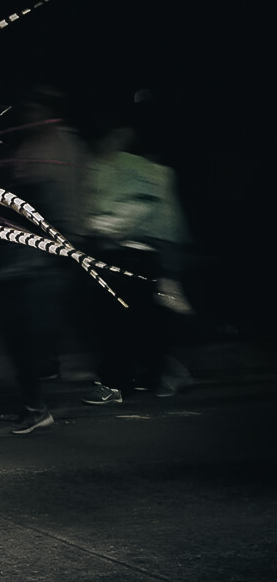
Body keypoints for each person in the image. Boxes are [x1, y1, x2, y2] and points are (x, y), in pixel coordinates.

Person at [78, 93, 192, 405]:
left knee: (120, 322)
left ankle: (117, 382)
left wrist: (93, 225)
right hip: (138, 254)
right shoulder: (123, 166)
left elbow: (139, 216)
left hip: (134, 254)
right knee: (136, 321)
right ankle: (155, 374)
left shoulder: (136, 168)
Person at [0, 84, 89, 434]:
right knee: (18, 331)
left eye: (32, 110)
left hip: (49, 253)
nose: (27, 117)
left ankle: (36, 406)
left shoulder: (61, 144)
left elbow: (56, 207)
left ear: (47, 111)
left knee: (28, 332)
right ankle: (31, 402)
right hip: (30, 254)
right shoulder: (36, 143)